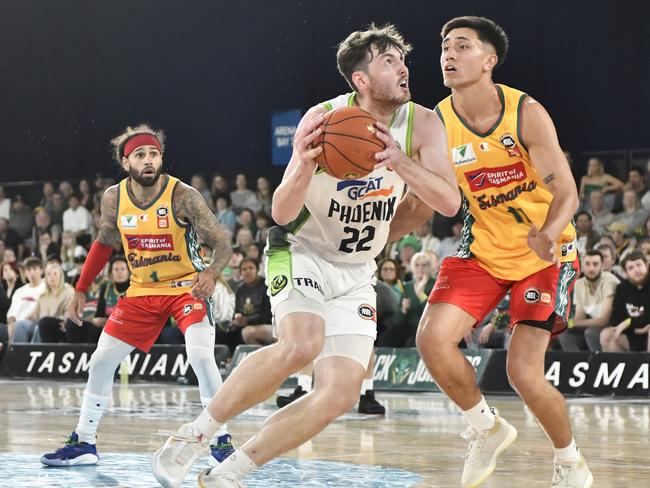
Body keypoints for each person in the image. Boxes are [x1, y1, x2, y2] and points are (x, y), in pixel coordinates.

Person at [152, 23, 459, 488]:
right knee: (301, 344)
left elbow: (448, 202)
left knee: (339, 393)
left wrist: (398, 166)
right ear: (361, 79)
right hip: (299, 249)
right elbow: (280, 211)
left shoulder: (423, 123)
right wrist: (303, 161)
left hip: (357, 271)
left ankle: (228, 473)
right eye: (389, 61)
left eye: (403, 60)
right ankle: (191, 439)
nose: (404, 69)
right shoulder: (324, 119)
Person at [392, 16, 592, 488]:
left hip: (545, 252)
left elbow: (566, 190)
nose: (448, 53)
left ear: (489, 60)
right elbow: (424, 201)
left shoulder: (525, 112)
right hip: (483, 248)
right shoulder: (437, 121)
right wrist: (378, 237)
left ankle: (569, 460)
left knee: (524, 371)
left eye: (461, 45)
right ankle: (485, 426)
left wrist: (550, 231)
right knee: (431, 339)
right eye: (444, 46)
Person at [40, 123, 235, 467]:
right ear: (126, 162)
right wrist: (81, 289)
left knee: (201, 357)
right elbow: (103, 244)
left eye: (154, 154)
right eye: (140, 155)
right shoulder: (114, 198)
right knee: (101, 361)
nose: (149, 160)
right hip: (142, 290)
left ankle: (221, 443)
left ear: (161, 159)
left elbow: (221, 241)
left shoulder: (182, 195)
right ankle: (85, 442)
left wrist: (211, 272)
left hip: (186, 286)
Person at [560, 250, 619, 352]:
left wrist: (572, 323)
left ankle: (596, 364)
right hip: (592, 324)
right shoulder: (579, 284)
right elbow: (580, 317)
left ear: (602, 265)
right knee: (563, 332)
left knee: (591, 332)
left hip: (612, 325)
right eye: (587, 264)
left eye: (595, 264)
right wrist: (569, 324)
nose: (591, 268)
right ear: (582, 265)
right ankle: (574, 363)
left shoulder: (609, 281)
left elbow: (604, 320)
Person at [600, 250, 650, 352]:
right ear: (625, 272)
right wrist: (636, 329)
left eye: (639, 265)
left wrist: (628, 323)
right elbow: (616, 319)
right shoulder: (622, 288)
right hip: (634, 333)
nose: (636, 270)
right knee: (607, 335)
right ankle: (620, 367)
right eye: (631, 268)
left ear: (647, 265)